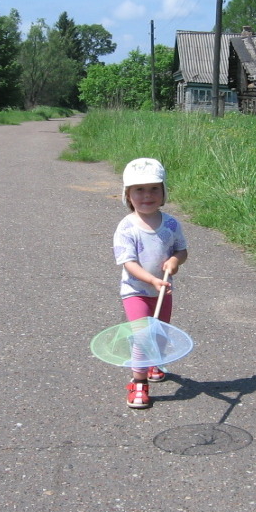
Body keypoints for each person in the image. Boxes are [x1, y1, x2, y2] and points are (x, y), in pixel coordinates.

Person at [113, 158, 188, 408]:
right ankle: (138, 383)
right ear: (128, 195)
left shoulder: (171, 224)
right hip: (136, 291)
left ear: (164, 191)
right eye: (139, 190)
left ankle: (154, 362)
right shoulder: (126, 227)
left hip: (163, 291)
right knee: (143, 336)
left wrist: (175, 261)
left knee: (161, 334)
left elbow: (181, 250)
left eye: (154, 188)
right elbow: (129, 262)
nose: (147, 195)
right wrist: (151, 279)